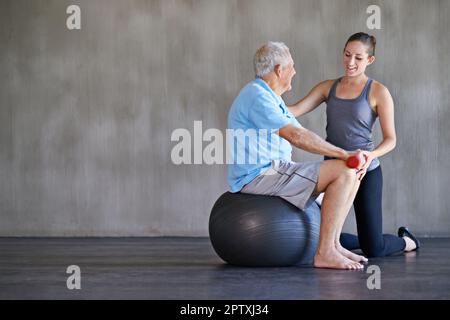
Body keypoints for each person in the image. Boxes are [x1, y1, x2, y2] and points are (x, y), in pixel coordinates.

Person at [227, 41, 369, 270]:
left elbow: (298, 132)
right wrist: (344, 154)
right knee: (343, 170)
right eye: (291, 66)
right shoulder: (256, 96)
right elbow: (296, 135)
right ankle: (325, 253)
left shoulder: (272, 99)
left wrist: (345, 156)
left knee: (350, 171)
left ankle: (333, 245)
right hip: (259, 175)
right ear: (279, 70)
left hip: (276, 170)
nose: (294, 71)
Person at [288, 32, 420, 257]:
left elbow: (391, 139)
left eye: (358, 58)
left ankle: (407, 241)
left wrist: (370, 154)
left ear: (370, 60)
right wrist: (264, 103)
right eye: (347, 55)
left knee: (373, 249)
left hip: (364, 170)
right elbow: (294, 111)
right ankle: (347, 243)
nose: (350, 62)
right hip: (332, 169)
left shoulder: (378, 91)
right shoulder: (327, 87)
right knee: (323, 234)